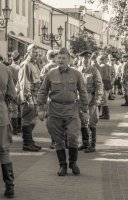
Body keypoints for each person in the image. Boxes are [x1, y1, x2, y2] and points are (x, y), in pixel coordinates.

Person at [37, 48, 88, 176]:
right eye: (59, 58)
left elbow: (82, 92)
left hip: (72, 110)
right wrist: (41, 109)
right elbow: (43, 91)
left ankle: (73, 162)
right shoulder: (50, 74)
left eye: (63, 58)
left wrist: (85, 110)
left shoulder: (76, 74)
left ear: (69, 59)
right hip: (55, 111)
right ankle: (62, 166)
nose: (60, 60)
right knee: (58, 140)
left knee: (72, 137)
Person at [17, 44, 42, 152]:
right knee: (27, 120)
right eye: (34, 51)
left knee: (32, 120)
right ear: (28, 52)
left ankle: (29, 141)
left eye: (37, 52)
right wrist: (28, 99)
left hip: (35, 95)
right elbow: (24, 83)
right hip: (29, 96)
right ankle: (27, 143)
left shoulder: (34, 64)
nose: (36, 53)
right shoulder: (26, 64)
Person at [78, 50, 103, 153]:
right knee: (83, 121)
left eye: (88, 58)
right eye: (85, 58)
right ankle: (85, 143)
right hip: (80, 98)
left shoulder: (94, 70)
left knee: (92, 121)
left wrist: (98, 98)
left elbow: (99, 85)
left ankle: (92, 145)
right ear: (80, 59)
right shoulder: (78, 70)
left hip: (91, 98)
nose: (86, 60)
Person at [0, 61, 17, 198]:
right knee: (4, 150)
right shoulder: (5, 69)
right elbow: (12, 94)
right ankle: (10, 186)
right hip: (1, 113)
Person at [40, 49, 58, 149]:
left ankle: (54, 141)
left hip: (50, 98)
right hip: (60, 97)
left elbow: (42, 83)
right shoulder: (61, 66)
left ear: (48, 56)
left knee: (52, 121)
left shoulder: (46, 67)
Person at [9, 50, 22, 135]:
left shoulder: (9, 67)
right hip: (20, 89)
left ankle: (14, 128)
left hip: (11, 89)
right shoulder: (20, 67)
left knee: (14, 109)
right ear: (19, 58)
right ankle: (18, 127)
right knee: (20, 109)